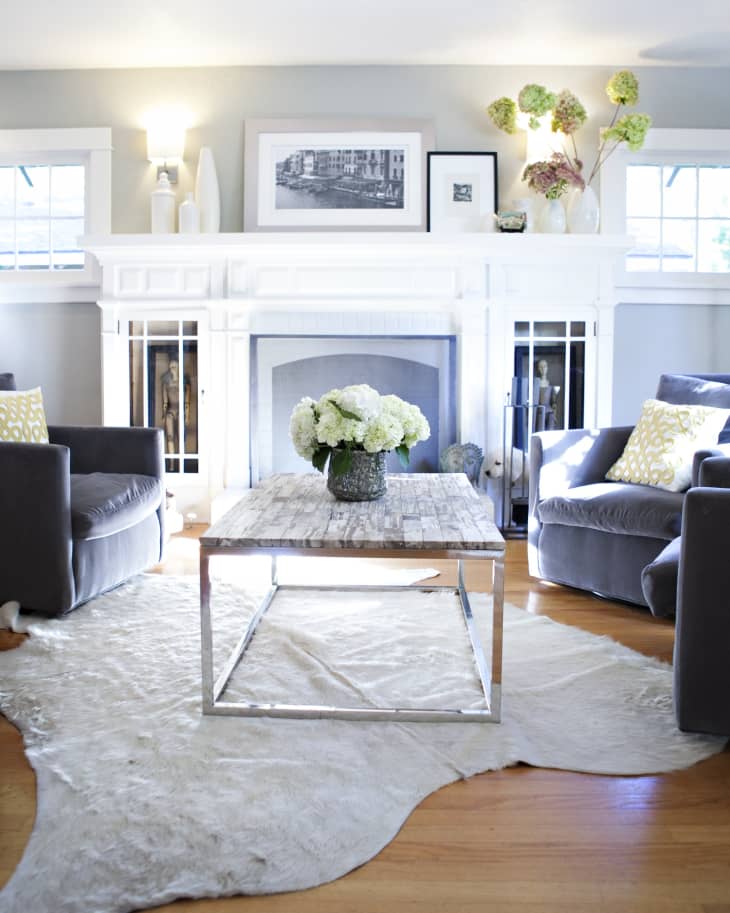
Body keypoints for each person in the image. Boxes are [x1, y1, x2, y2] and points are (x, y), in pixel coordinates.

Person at [160, 358, 190, 454]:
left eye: (174, 367)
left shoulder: (184, 382)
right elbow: (165, 401)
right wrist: (164, 414)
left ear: (178, 368)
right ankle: (172, 463)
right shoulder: (166, 383)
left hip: (181, 411)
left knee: (181, 437)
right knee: (170, 437)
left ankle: (182, 462)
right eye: (171, 367)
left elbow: (187, 401)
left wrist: (187, 415)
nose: (172, 369)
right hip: (170, 411)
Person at [534, 359, 560, 430]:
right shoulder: (536, 384)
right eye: (540, 367)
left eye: (545, 366)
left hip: (550, 412)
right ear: (538, 369)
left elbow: (554, 402)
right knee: (540, 431)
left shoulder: (550, 384)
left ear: (547, 368)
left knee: (550, 432)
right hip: (540, 412)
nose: (543, 369)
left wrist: (555, 414)